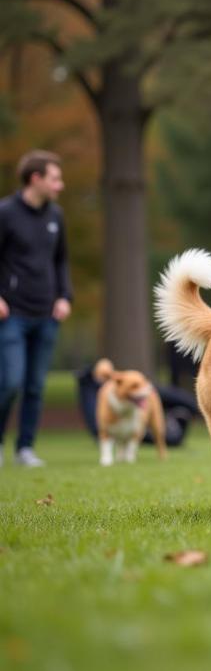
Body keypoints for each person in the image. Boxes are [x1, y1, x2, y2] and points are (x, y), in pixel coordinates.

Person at [0, 150, 72, 467]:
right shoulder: (5, 213)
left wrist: (64, 296)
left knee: (35, 387)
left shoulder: (56, 217)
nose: (61, 185)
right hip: (11, 314)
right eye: (55, 178)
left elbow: (61, 261)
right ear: (36, 178)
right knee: (11, 381)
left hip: (47, 314)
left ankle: (24, 448)